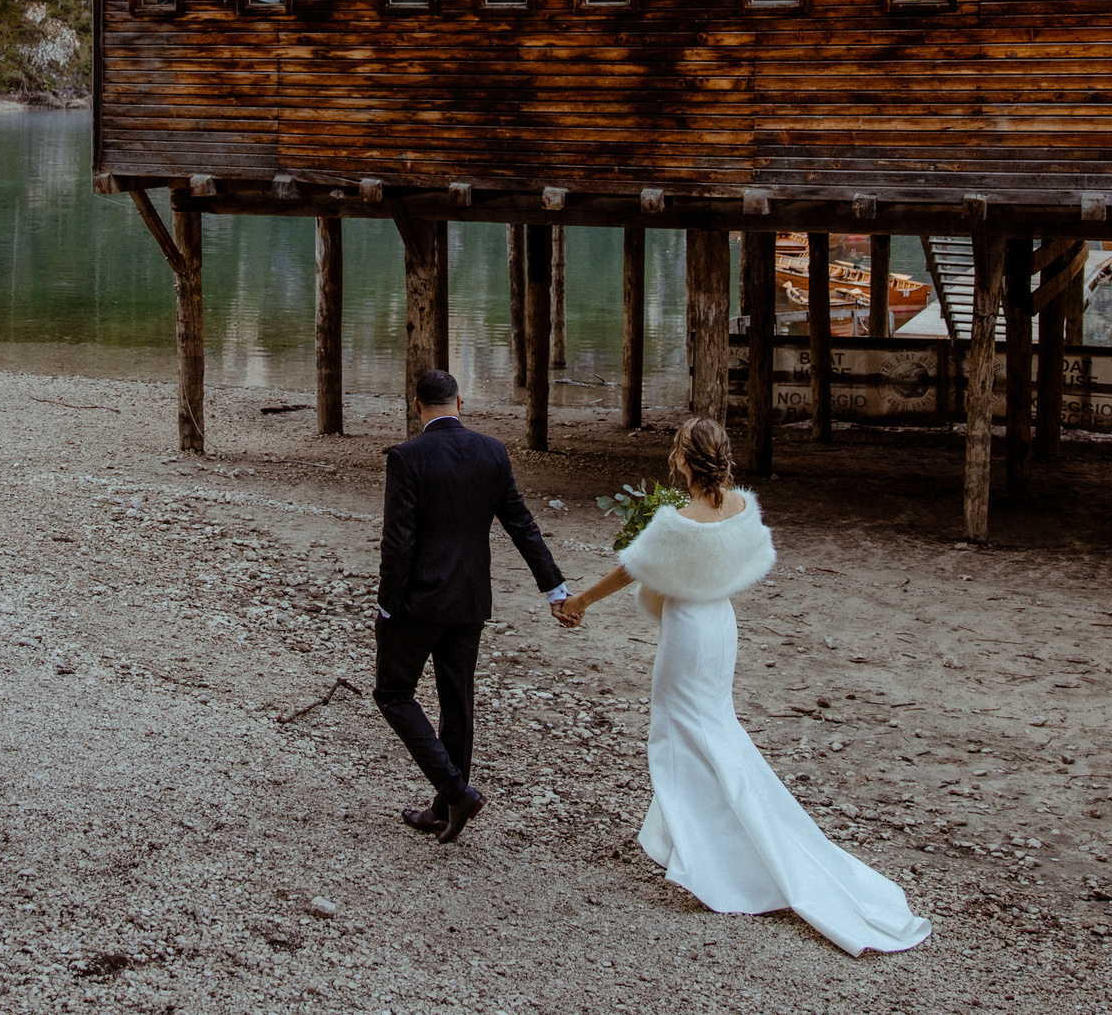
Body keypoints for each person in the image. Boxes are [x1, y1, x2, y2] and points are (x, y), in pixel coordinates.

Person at [557, 417, 931, 956]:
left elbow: (630, 570)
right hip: (721, 627)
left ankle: (710, 853)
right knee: (714, 729)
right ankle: (699, 839)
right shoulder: (740, 509)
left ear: (684, 460)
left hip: (688, 631)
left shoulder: (676, 519)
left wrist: (579, 602)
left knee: (680, 733)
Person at [373, 367, 569, 843]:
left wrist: (387, 604)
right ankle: (443, 810)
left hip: (418, 603)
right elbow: (522, 525)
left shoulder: (407, 457)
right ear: (459, 403)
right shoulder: (492, 452)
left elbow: (398, 543)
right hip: (470, 600)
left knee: (393, 694)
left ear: (417, 405)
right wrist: (555, 589)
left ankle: (455, 793)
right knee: (457, 702)